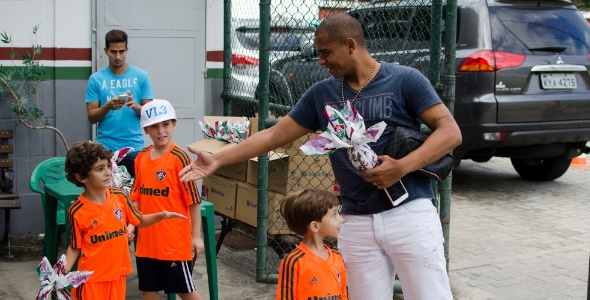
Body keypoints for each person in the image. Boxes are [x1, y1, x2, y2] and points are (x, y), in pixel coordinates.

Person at [179, 12, 461, 300]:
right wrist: (219, 159)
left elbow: (450, 132)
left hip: (408, 212)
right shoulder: (321, 94)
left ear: (350, 45)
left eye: (326, 53)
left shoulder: (404, 80)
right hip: (357, 219)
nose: (321, 61)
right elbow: (273, 136)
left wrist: (401, 167)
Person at [63, 141, 187, 300]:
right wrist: (61, 272)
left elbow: (139, 220)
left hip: (118, 275)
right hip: (91, 280)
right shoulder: (77, 210)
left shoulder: (120, 197)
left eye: (108, 166)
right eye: (100, 169)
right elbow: (74, 247)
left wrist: (162, 215)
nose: (108, 172)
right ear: (81, 177)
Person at [130, 99, 204, 300]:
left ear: (174, 124)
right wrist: (131, 224)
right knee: (148, 289)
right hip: (145, 241)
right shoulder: (141, 158)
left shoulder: (180, 158)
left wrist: (196, 236)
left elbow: (194, 200)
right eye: (154, 126)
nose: (161, 130)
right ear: (146, 129)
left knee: (184, 290)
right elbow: (136, 196)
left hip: (173, 242)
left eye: (165, 124)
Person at [85, 29, 155, 177]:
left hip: (134, 147)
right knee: (107, 195)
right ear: (105, 51)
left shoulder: (141, 76)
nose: (118, 56)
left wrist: (135, 106)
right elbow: (91, 117)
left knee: (135, 194)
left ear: (127, 50)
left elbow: (150, 114)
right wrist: (108, 106)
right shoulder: (96, 79)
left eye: (122, 51)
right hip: (105, 148)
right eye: (113, 52)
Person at [276, 189, 347, 300]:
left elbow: (343, 295)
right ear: (315, 226)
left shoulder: (338, 257)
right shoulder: (294, 261)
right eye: (334, 214)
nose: (341, 219)